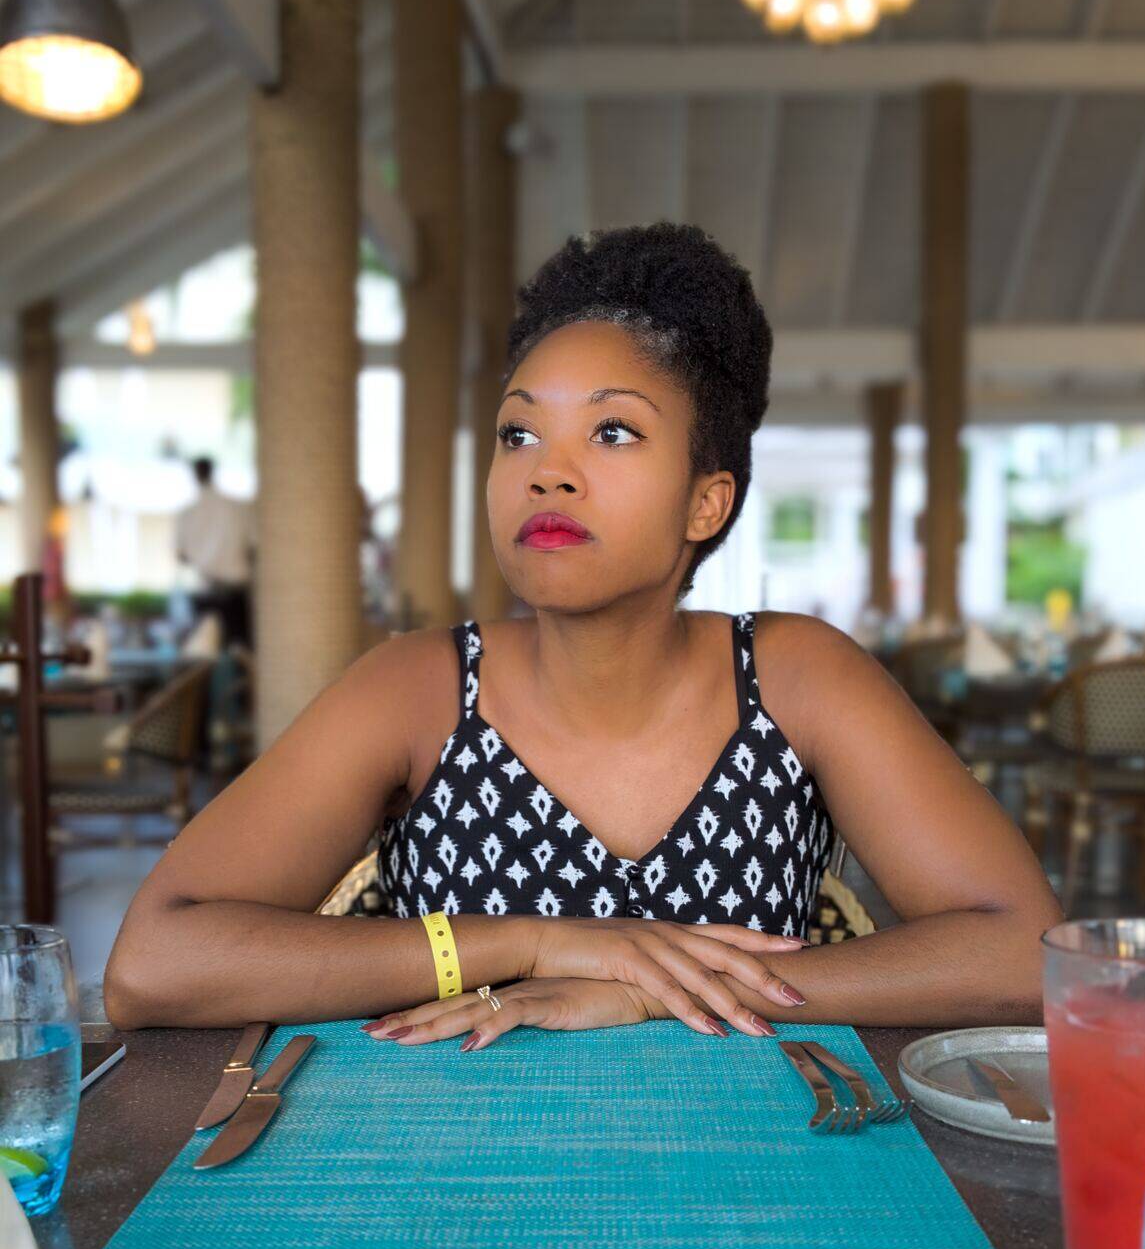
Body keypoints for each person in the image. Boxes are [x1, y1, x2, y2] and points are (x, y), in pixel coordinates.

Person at [105, 222, 1061, 1045]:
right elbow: (154, 964)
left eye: (612, 434)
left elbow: (1022, 952)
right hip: (444, 1177)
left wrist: (652, 988)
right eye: (519, 435)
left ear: (705, 501)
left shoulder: (794, 676)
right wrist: (534, 943)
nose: (547, 474)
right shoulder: (419, 687)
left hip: (753, 1177)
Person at [175, 457, 255, 648]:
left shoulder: (188, 513)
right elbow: (254, 546)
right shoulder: (237, 507)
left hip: (206, 592)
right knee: (239, 655)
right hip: (234, 593)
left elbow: (181, 555)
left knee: (206, 654)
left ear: (195, 474)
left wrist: (204, 558)